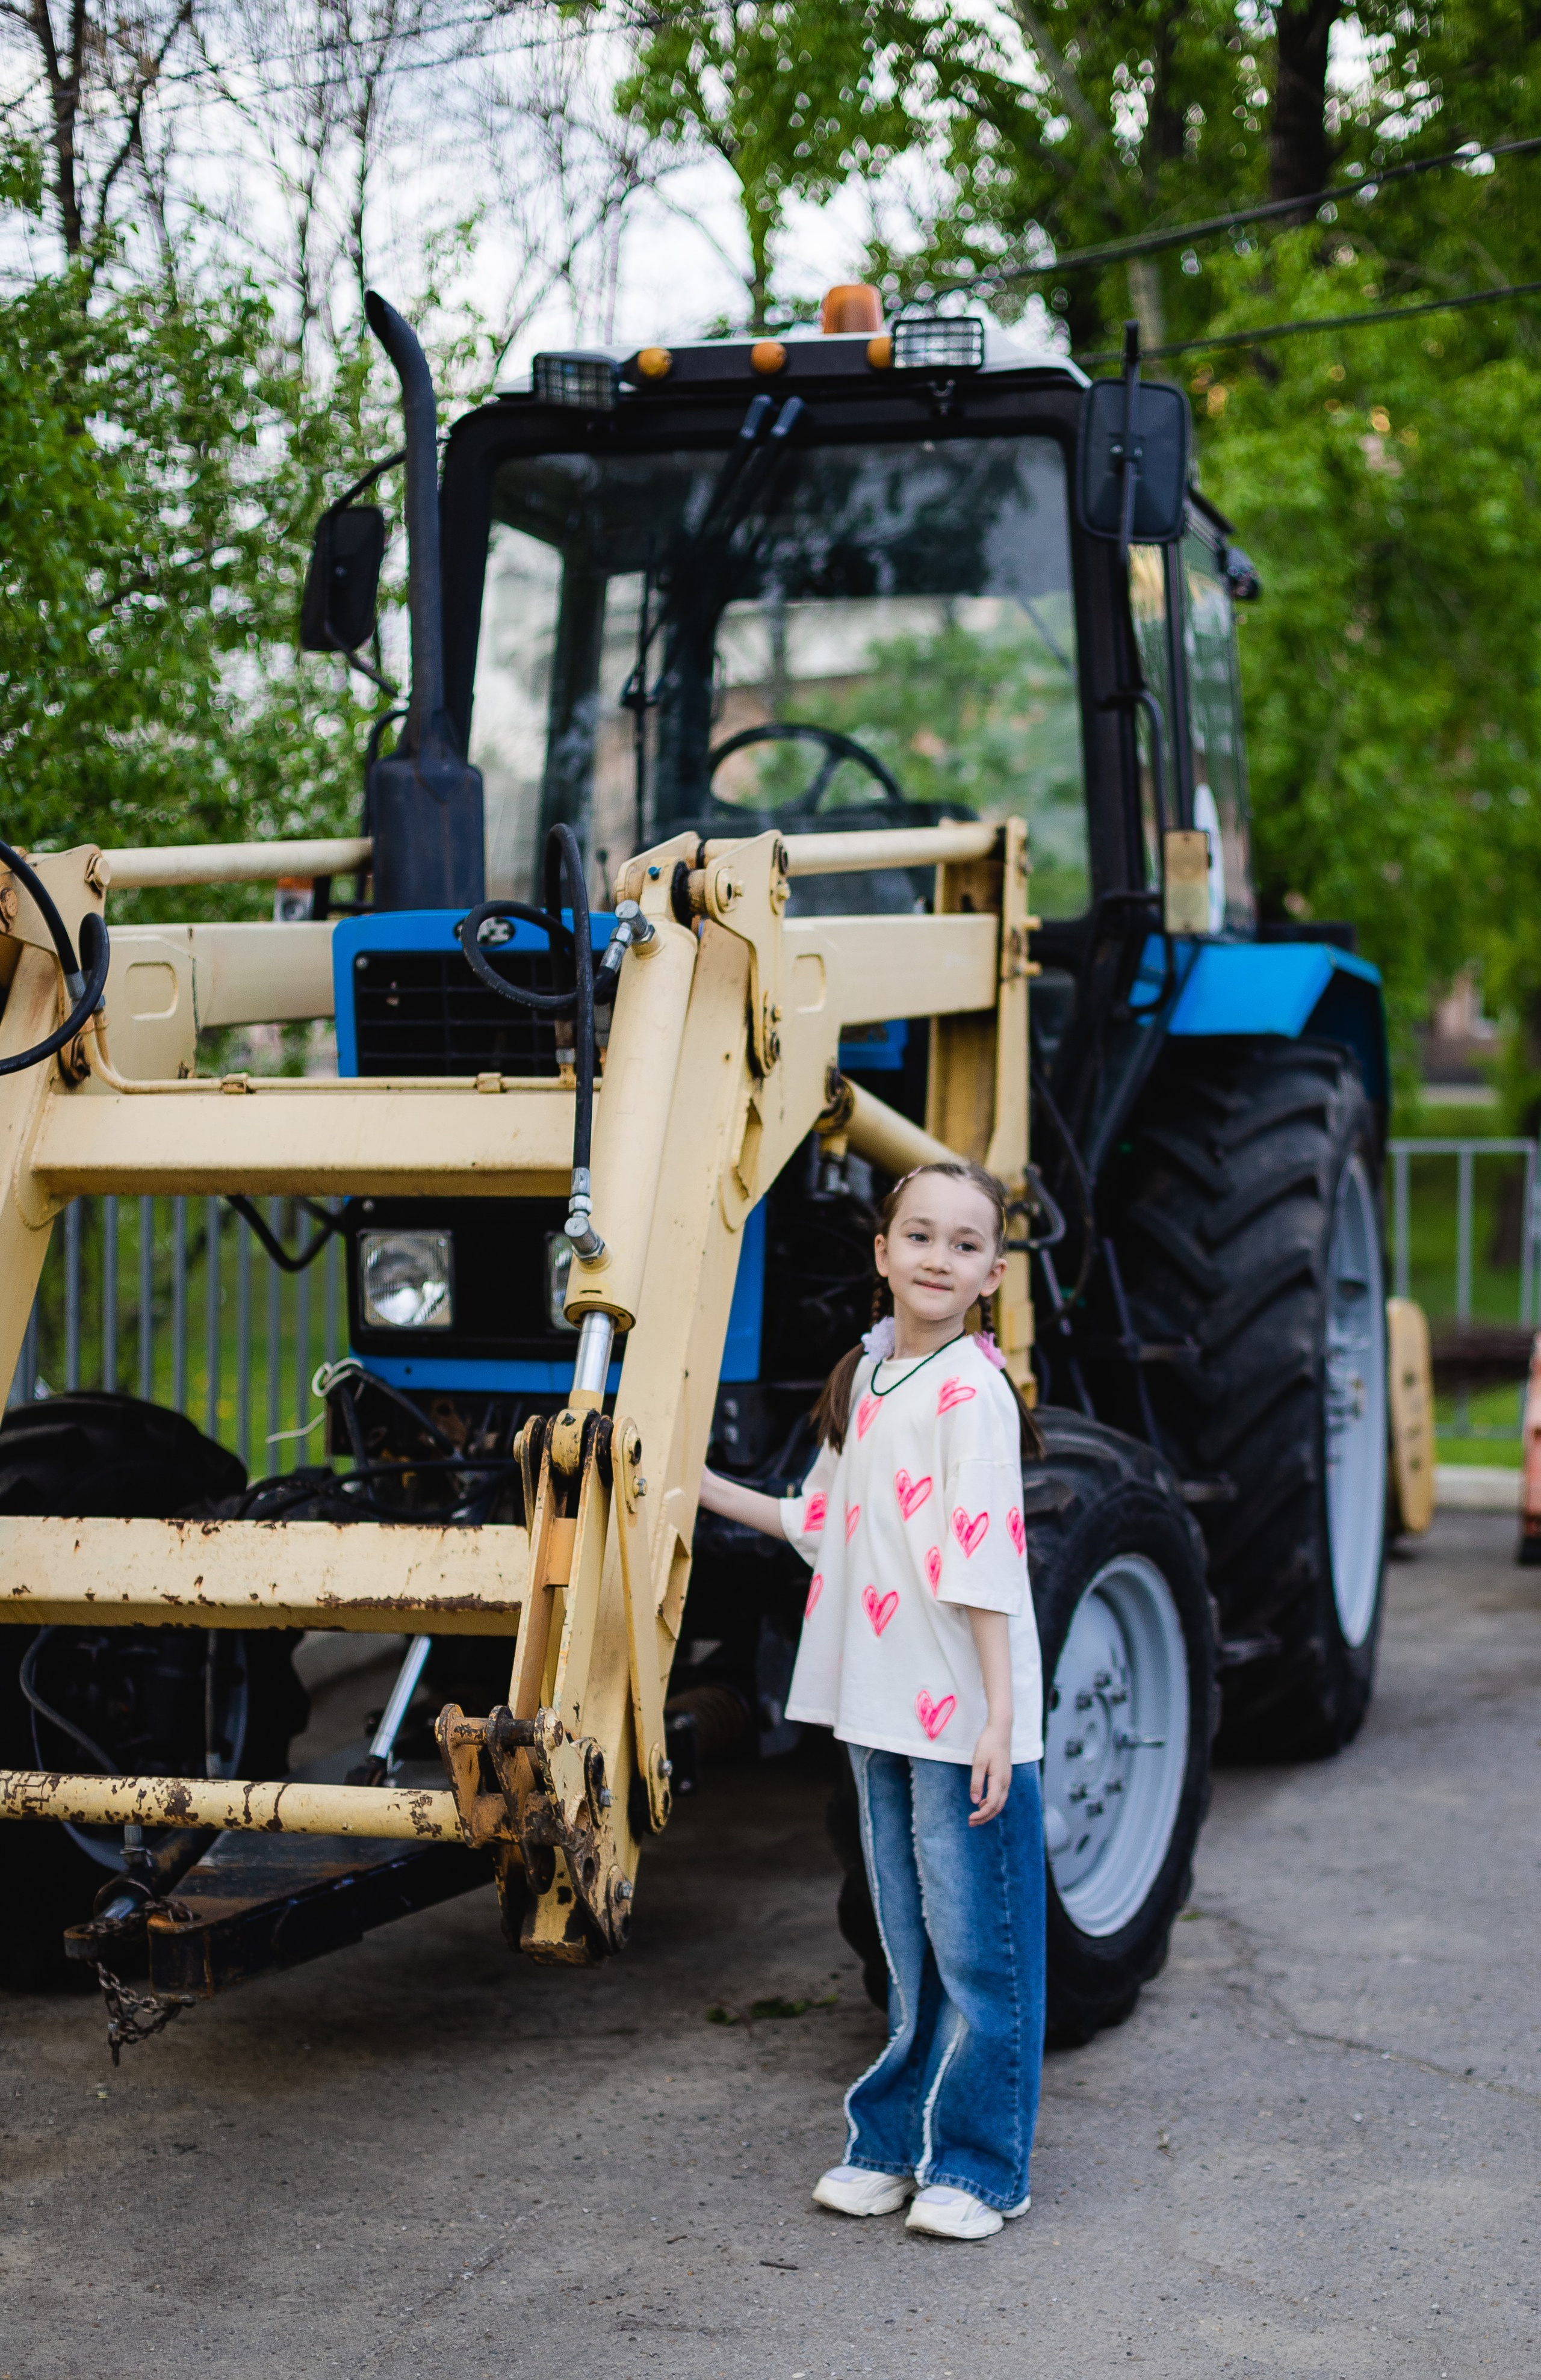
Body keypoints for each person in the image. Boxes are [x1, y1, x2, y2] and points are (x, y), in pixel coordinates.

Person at [699, 1159, 1047, 2243]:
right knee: (910, 1943)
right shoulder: (868, 1376)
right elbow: (822, 1521)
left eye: (965, 1244)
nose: (940, 1257)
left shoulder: (974, 1393)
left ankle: (983, 2168)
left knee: (982, 1951)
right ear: (885, 1253)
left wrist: (1000, 1718)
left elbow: (986, 1561)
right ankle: (895, 2146)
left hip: (963, 1716)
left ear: (993, 1274)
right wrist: (692, 1489)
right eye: (921, 1236)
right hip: (880, 1707)